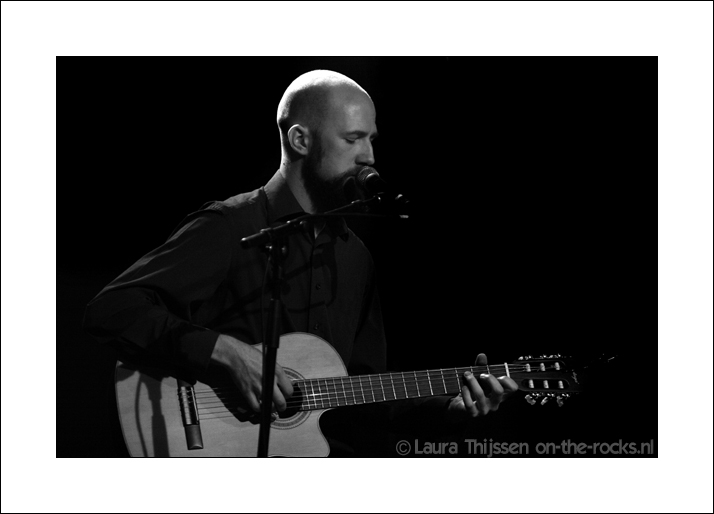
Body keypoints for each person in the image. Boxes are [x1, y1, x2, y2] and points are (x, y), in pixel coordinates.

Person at [83, 69, 518, 456]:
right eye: (352, 139)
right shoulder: (232, 225)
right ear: (300, 140)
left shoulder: (354, 258)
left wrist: (449, 409)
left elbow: (365, 395)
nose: (369, 156)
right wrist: (226, 353)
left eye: (371, 139)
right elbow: (111, 310)